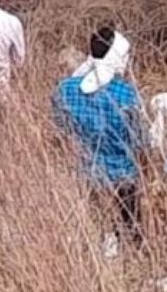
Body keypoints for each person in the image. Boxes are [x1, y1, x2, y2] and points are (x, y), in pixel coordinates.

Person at [53, 27, 146, 258]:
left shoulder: (65, 89)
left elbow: (59, 130)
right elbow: (139, 139)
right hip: (122, 173)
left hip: (81, 171)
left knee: (89, 225)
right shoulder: (126, 93)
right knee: (127, 226)